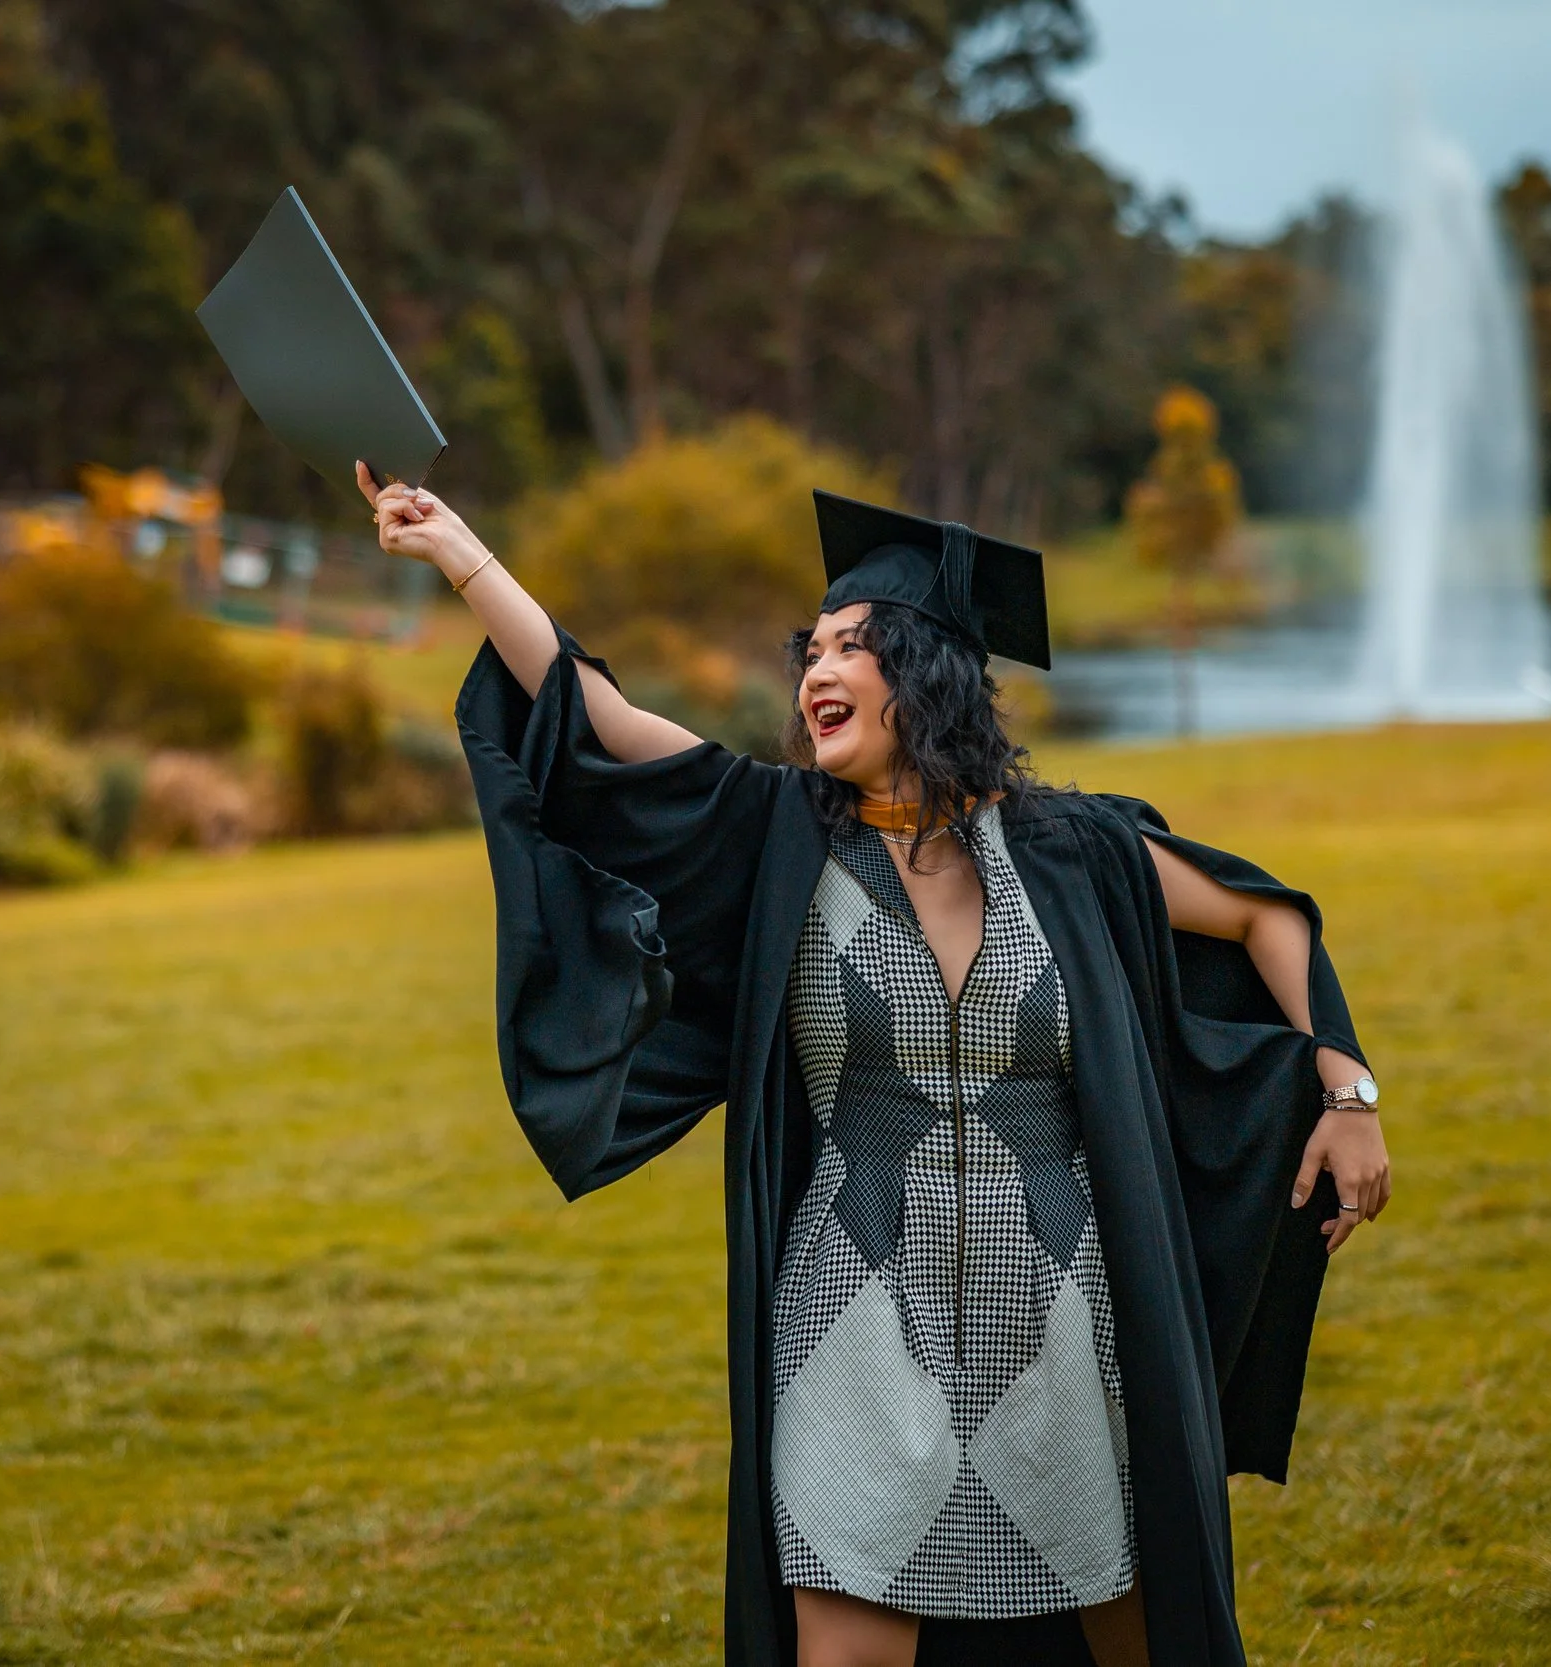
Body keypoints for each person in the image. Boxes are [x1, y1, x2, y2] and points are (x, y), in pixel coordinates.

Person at [360, 465, 1391, 1667]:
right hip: (852, 1312)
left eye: (853, 646)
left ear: (929, 671)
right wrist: (460, 551)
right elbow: (590, 714)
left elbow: (1269, 917)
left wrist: (1346, 1088)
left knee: (1138, 1639)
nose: (814, 672)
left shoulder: (1075, 848)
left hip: (1063, 1315)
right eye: (812, 649)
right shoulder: (776, 831)